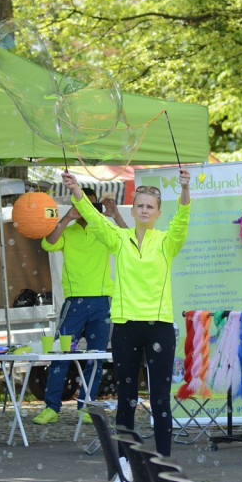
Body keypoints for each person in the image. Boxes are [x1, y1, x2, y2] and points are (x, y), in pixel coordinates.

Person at [61, 168, 191, 464]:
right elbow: (93, 218)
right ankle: (124, 465)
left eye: (150, 207)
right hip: (125, 327)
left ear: (158, 212)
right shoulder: (119, 239)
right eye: (140, 206)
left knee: (160, 400)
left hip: (159, 328)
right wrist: (77, 190)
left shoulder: (167, 242)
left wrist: (185, 190)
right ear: (131, 210)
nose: (145, 210)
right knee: (126, 401)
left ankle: (163, 466)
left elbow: (182, 221)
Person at [33, 188, 127, 425]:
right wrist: (67, 217)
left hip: (101, 302)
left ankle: (86, 406)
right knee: (60, 354)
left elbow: (130, 241)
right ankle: (51, 408)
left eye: (93, 206)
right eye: (83, 205)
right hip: (74, 302)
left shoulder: (103, 230)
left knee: (96, 357)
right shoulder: (70, 230)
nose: (88, 210)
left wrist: (114, 214)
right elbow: (48, 243)